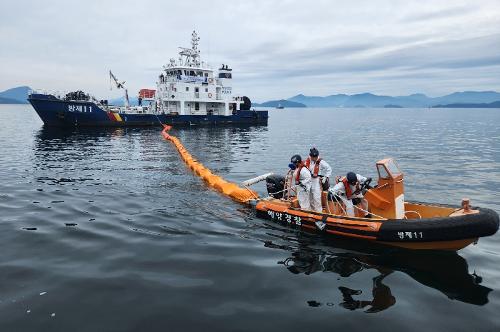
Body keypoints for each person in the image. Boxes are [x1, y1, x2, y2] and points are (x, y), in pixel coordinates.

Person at [305, 147, 332, 212]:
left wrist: (326, 177)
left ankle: (318, 211)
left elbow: (329, 169)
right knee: (309, 196)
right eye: (313, 157)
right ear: (310, 156)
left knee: (316, 197)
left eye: (315, 157)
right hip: (308, 180)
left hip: (315, 180)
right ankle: (312, 210)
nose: (314, 158)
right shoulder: (308, 160)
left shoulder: (321, 162)